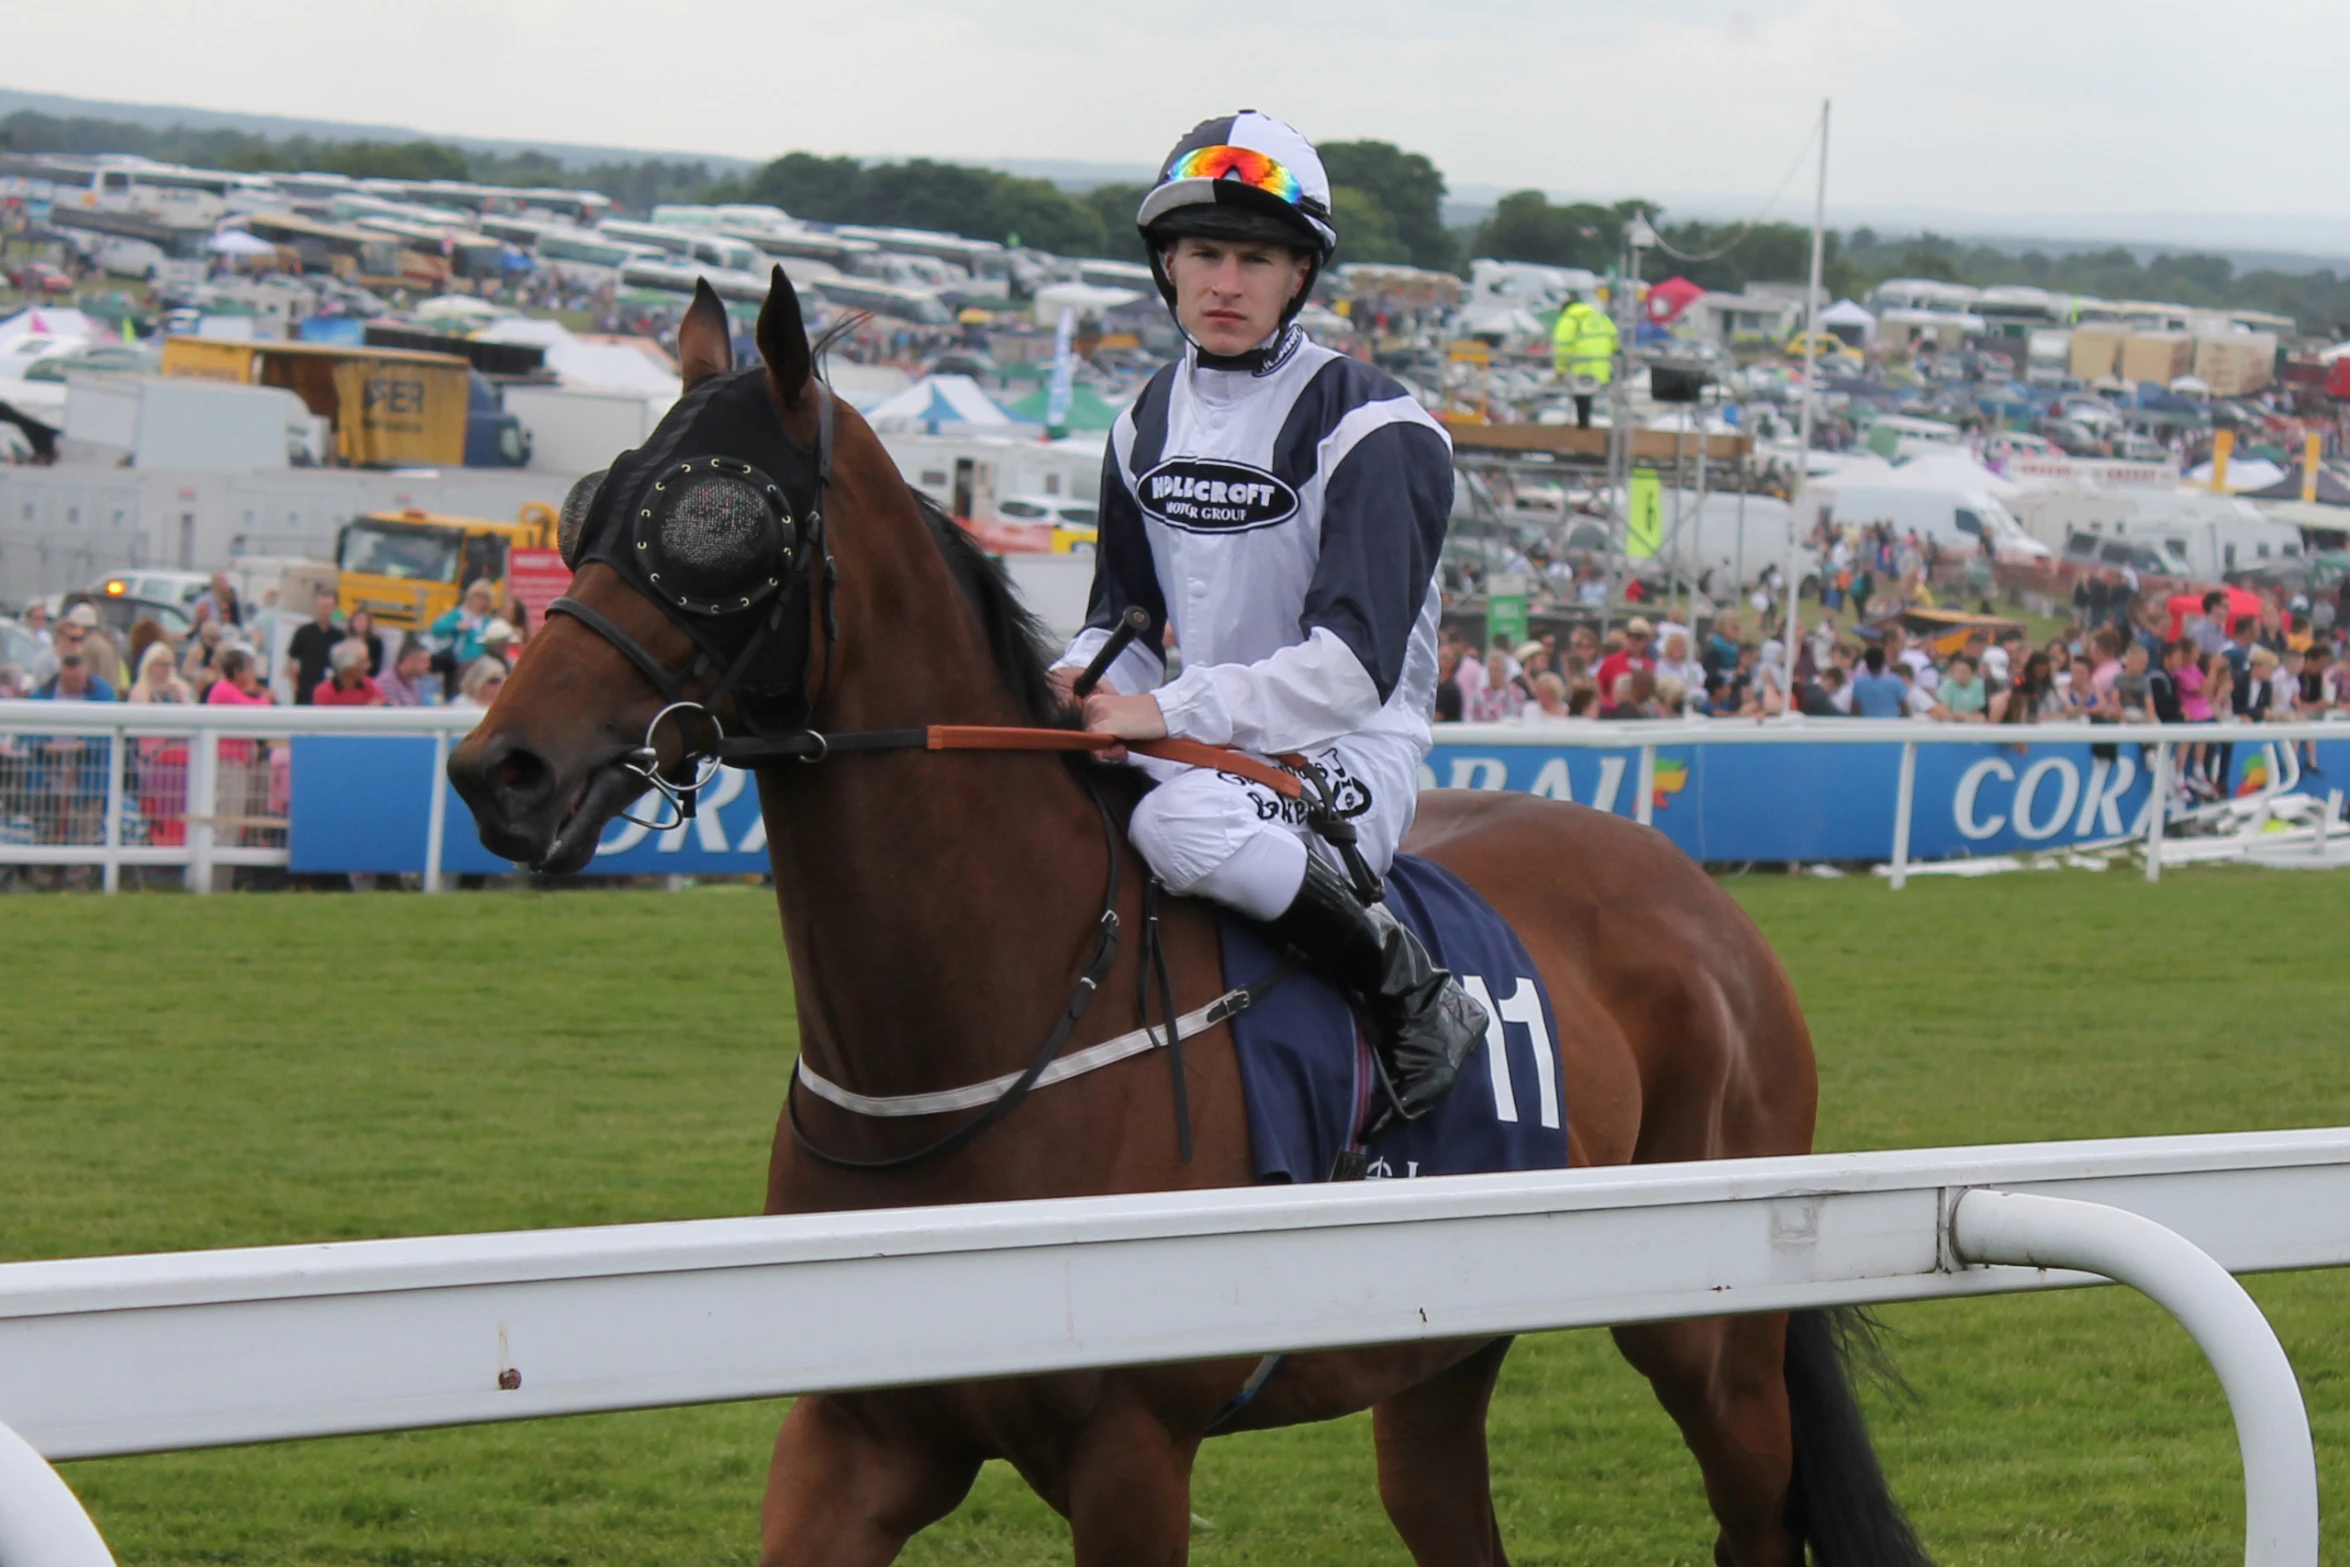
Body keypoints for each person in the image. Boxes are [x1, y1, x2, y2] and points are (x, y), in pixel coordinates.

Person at [1055, 110, 1485, 1128]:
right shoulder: (1137, 420)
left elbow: (1347, 672)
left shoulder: (1380, 427)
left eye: (1256, 258)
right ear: (1167, 264)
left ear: (1301, 274)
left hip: (1340, 750)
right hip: (1191, 736)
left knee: (1180, 822)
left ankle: (1410, 989)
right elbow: (1120, 619)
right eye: (1203, 253)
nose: (1225, 282)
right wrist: (1073, 680)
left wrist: (1160, 712)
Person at [1551, 290, 1617, 429]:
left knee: (1581, 397)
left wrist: (1560, 370)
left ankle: (1583, 427)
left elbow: (1563, 347)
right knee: (1590, 397)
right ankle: (1587, 425)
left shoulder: (1569, 319)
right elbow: (1614, 339)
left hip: (1582, 365)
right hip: (1601, 364)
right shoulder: (1601, 317)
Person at [286, 589, 344, 708]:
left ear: (333, 609)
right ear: (316, 608)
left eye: (328, 607)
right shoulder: (303, 632)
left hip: (331, 693)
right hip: (305, 692)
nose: (324, 610)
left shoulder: (339, 636)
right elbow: (291, 662)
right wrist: (296, 687)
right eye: (322, 606)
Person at [314, 639, 386, 706]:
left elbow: (384, 707)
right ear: (347, 666)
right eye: (363, 662)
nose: (369, 665)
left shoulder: (370, 686)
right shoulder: (324, 692)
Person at [1848, 645, 1908, 718]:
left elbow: (1854, 711)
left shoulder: (1859, 684)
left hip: (1867, 726)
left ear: (1866, 663)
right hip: (1892, 726)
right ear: (1883, 662)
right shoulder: (1896, 682)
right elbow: (1905, 709)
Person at [378, 635, 438, 707]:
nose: (428, 665)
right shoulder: (387, 681)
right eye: (423, 661)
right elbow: (394, 714)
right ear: (408, 660)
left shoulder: (414, 682)